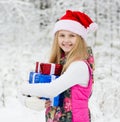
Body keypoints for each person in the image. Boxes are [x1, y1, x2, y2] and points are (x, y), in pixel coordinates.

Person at [19, 10, 97, 122]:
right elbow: (39, 89)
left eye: (72, 36)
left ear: (80, 39)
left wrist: (22, 88)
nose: (66, 40)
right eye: (62, 35)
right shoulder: (61, 62)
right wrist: (28, 100)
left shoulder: (79, 66)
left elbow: (51, 90)